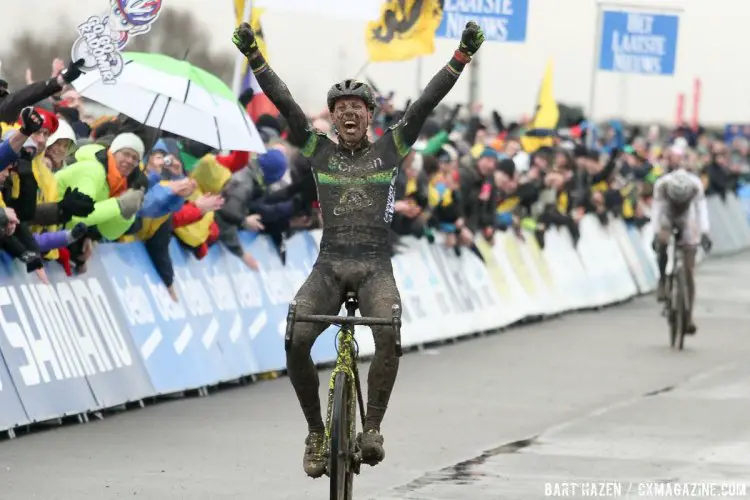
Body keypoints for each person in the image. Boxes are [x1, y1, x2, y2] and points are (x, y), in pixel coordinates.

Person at [232, 19, 485, 477]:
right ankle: (315, 433)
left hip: (374, 269)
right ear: (331, 117)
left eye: (357, 107)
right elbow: (286, 104)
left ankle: (371, 429)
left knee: (388, 330)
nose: (348, 114)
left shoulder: (392, 149)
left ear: (370, 115)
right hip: (328, 267)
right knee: (294, 340)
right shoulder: (316, 149)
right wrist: (254, 57)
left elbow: (426, 102)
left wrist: (461, 58)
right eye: (340, 108)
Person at [651, 167, 711, 334]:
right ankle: (662, 280)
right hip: (667, 214)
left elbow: (701, 210)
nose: (678, 202)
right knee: (662, 240)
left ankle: (689, 316)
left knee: (689, 270)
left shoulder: (696, 186)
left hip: (687, 216)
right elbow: (656, 211)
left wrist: (705, 232)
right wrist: (656, 234)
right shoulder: (661, 186)